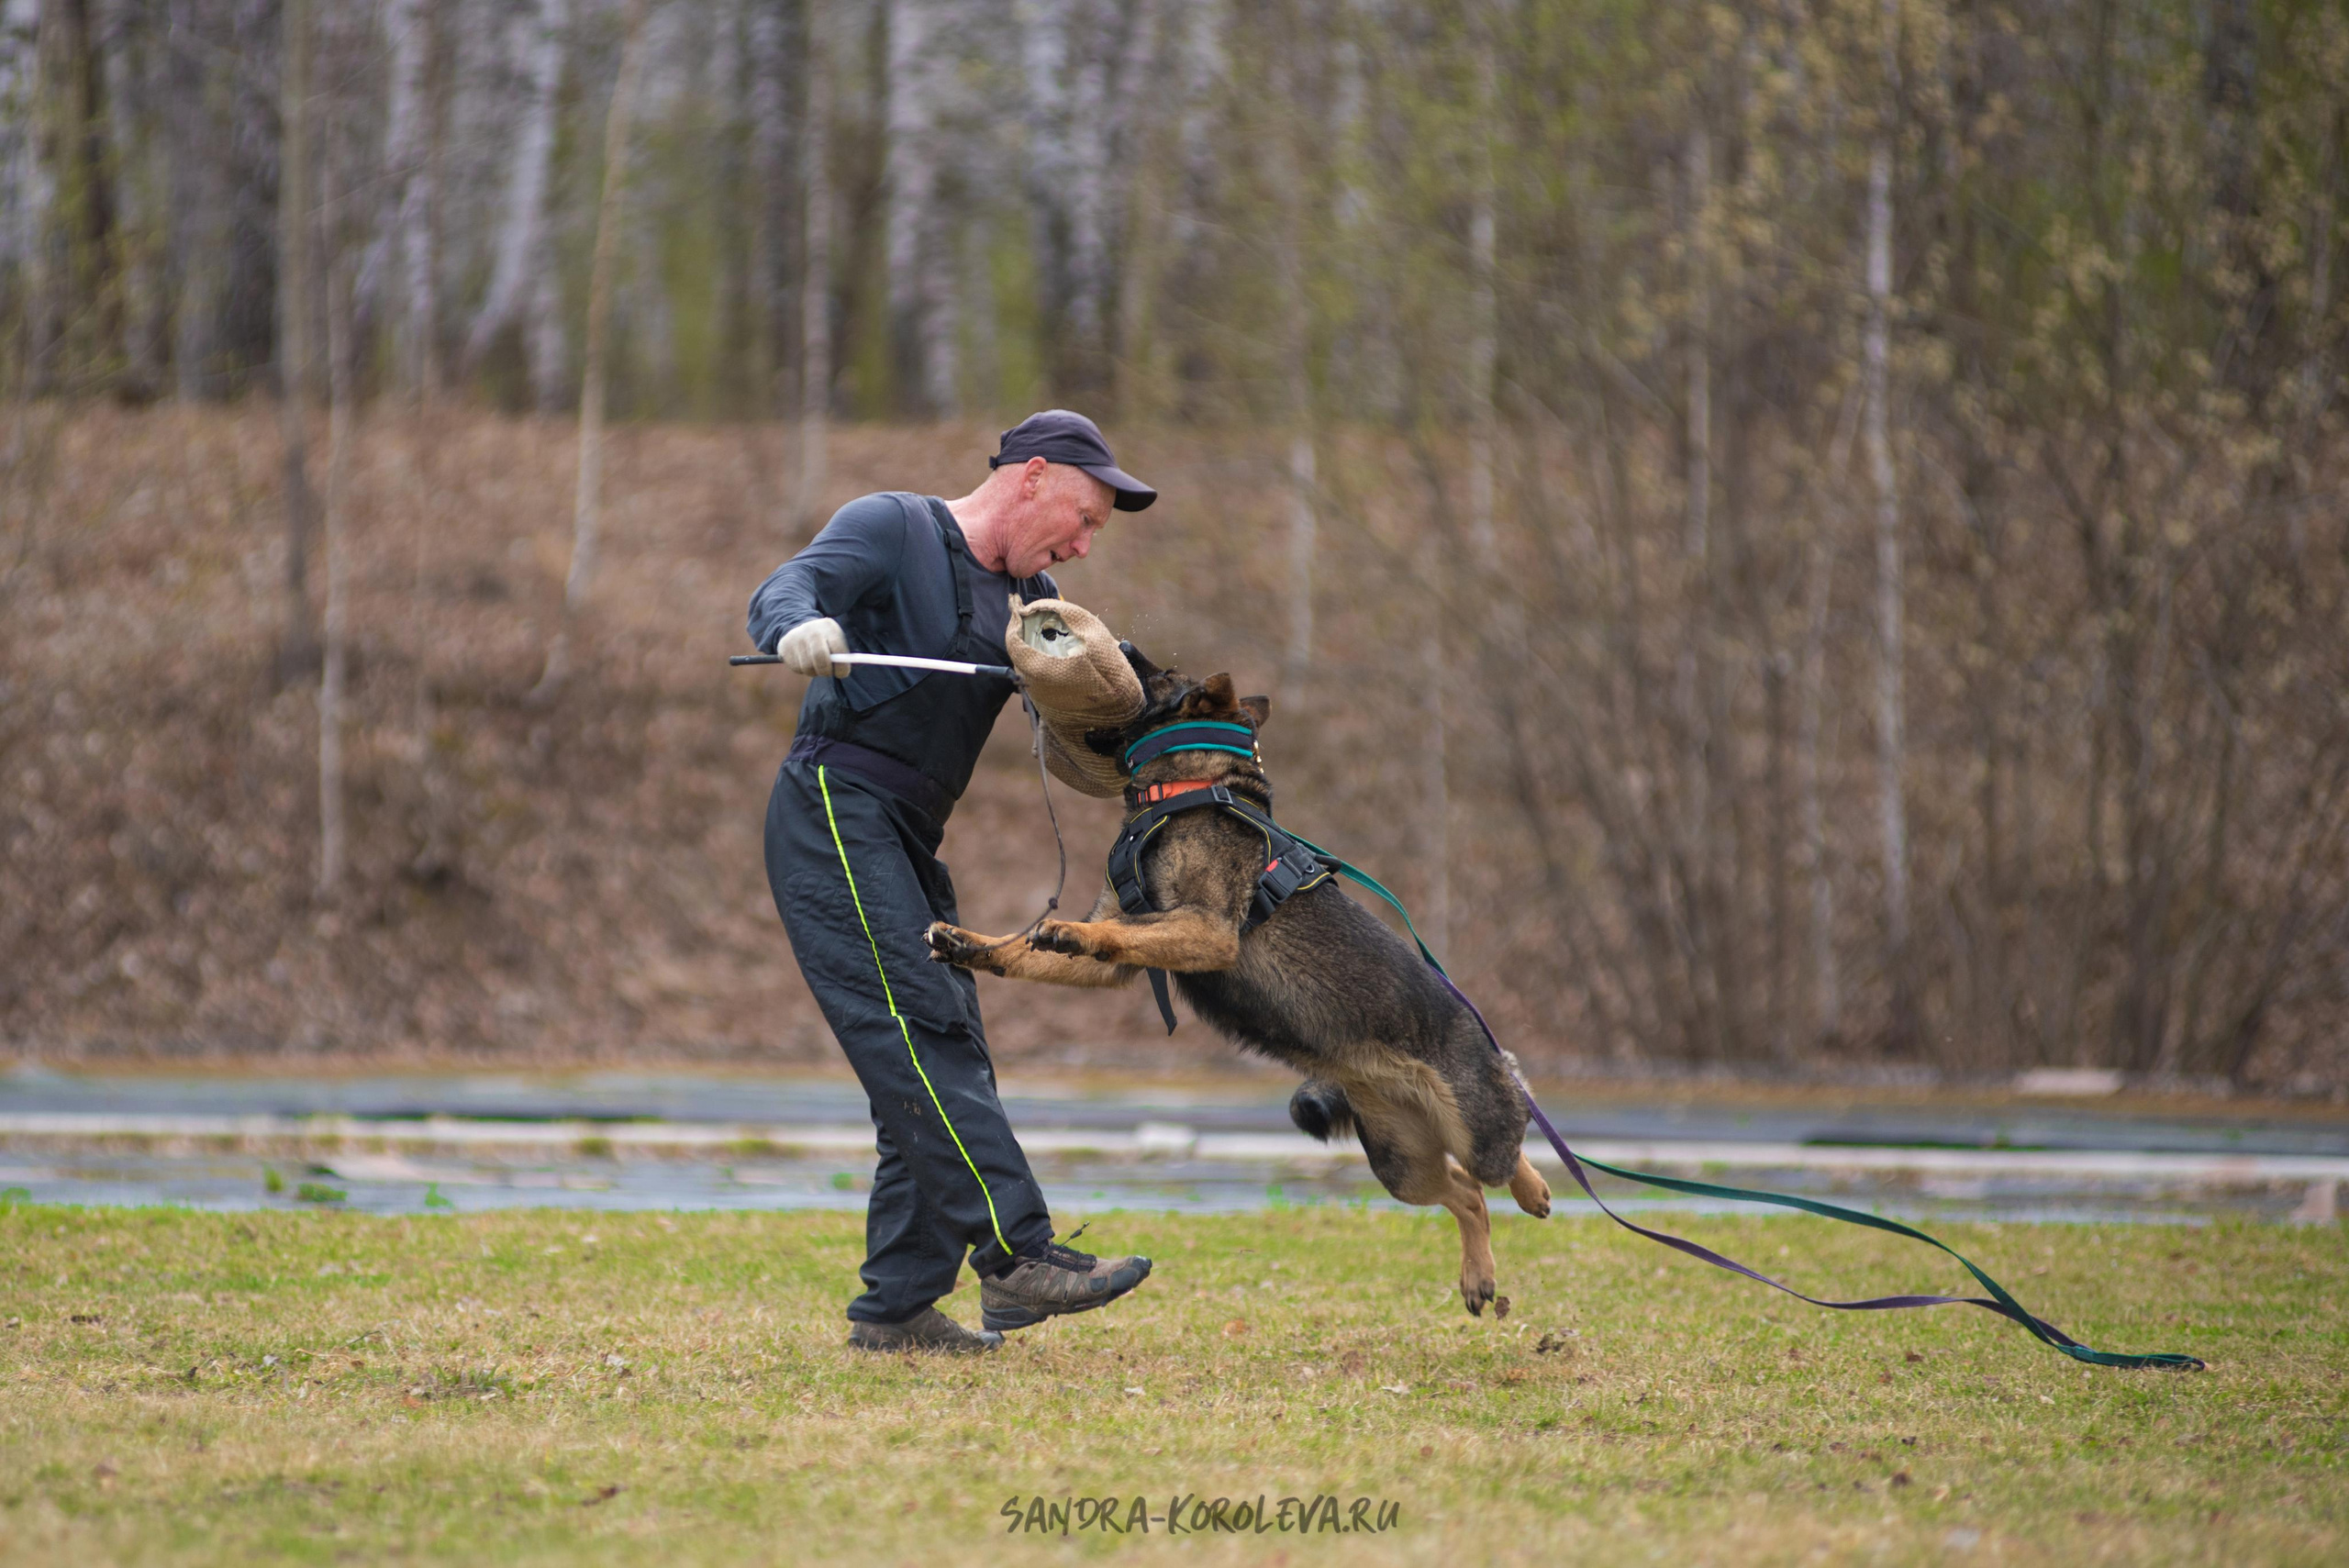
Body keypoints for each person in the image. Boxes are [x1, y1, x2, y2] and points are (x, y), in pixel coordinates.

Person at [746, 411, 1159, 1353]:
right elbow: (790, 583)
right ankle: (1019, 1255)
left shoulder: (1035, 598)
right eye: (1084, 516)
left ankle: (897, 1308)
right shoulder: (894, 526)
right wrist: (797, 626)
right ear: (1032, 476)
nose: (1085, 544)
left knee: (947, 1046)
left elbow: (1089, 723)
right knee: (918, 1029)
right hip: (833, 811)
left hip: (906, 836)